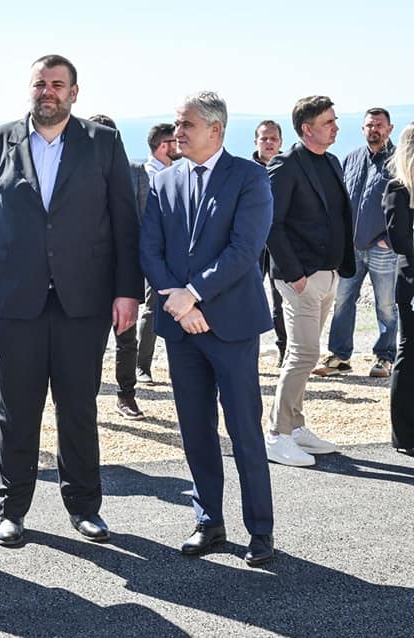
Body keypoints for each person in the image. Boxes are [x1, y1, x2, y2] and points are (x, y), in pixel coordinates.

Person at [0, 55, 142, 547]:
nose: (48, 92)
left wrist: (128, 290)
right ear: (30, 89)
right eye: (40, 83)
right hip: (14, 300)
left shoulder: (102, 142)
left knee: (78, 410)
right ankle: (11, 509)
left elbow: (125, 222)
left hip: (84, 300)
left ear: (74, 93)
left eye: (57, 84)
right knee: (16, 412)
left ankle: (84, 508)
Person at [140, 92, 275, 567]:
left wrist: (192, 295)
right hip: (182, 330)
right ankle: (208, 522)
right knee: (195, 430)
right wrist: (180, 306)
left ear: (216, 130)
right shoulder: (164, 180)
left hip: (232, 326)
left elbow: (244, 250)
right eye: (176, 124)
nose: (177, 132)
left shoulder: (250, 177)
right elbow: (149, 249)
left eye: (187, 125)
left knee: (244, 431)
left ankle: (260, 529)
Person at [265, 96, 355, 467]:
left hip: (329, 275)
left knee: (305, 355)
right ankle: (278, 435)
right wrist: (296, 275)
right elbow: (271, 224)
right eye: (328, 122)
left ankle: (296, 426)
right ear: (307, 129)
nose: (336, 127)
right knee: (303, 355)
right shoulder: (285, 165)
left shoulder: (331, 162)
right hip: (300, 278)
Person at [316, 108, 397, 378]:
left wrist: (390, 239)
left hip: (383, 249)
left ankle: (385, 357)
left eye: (379, 125)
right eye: (369, 125)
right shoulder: (351, 159)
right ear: (363, 129)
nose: (374, 129)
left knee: (385, 305)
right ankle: (340, 356)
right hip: (350, 249)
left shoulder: (399, 161)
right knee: (342, 301)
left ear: (389, 129)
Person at [88, 113, 148, 419]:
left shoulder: (135, 172)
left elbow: (144, 222)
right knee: (90, 343)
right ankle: (86, 399)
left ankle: (126, 395)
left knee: (126, 338)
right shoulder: (76, 172)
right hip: (87, 276)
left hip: (124, 271)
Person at [135, 123, 180, 385]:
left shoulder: (179, 173)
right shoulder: (143, 174)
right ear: (164, 146)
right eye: (175, 141)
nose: (180, 145)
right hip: (154, 255)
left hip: (178, 254)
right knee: (152, 308)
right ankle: (142, 366)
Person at [383, 121, 414, 455]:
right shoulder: (398, 189)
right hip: (411, 281)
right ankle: (404, 435)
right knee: (409, 353)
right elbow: (400, 240)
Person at [253, 120, 287, 366]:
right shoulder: (245, 170)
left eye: (273, 138)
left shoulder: (289, 167)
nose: (268, 143)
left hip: (281, 244)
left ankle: (285, 351)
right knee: (248, 299)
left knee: (281, 301)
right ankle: (247, 351)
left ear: (280, 142)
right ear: (256, 142)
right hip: (251, 243)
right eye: (264, 138)